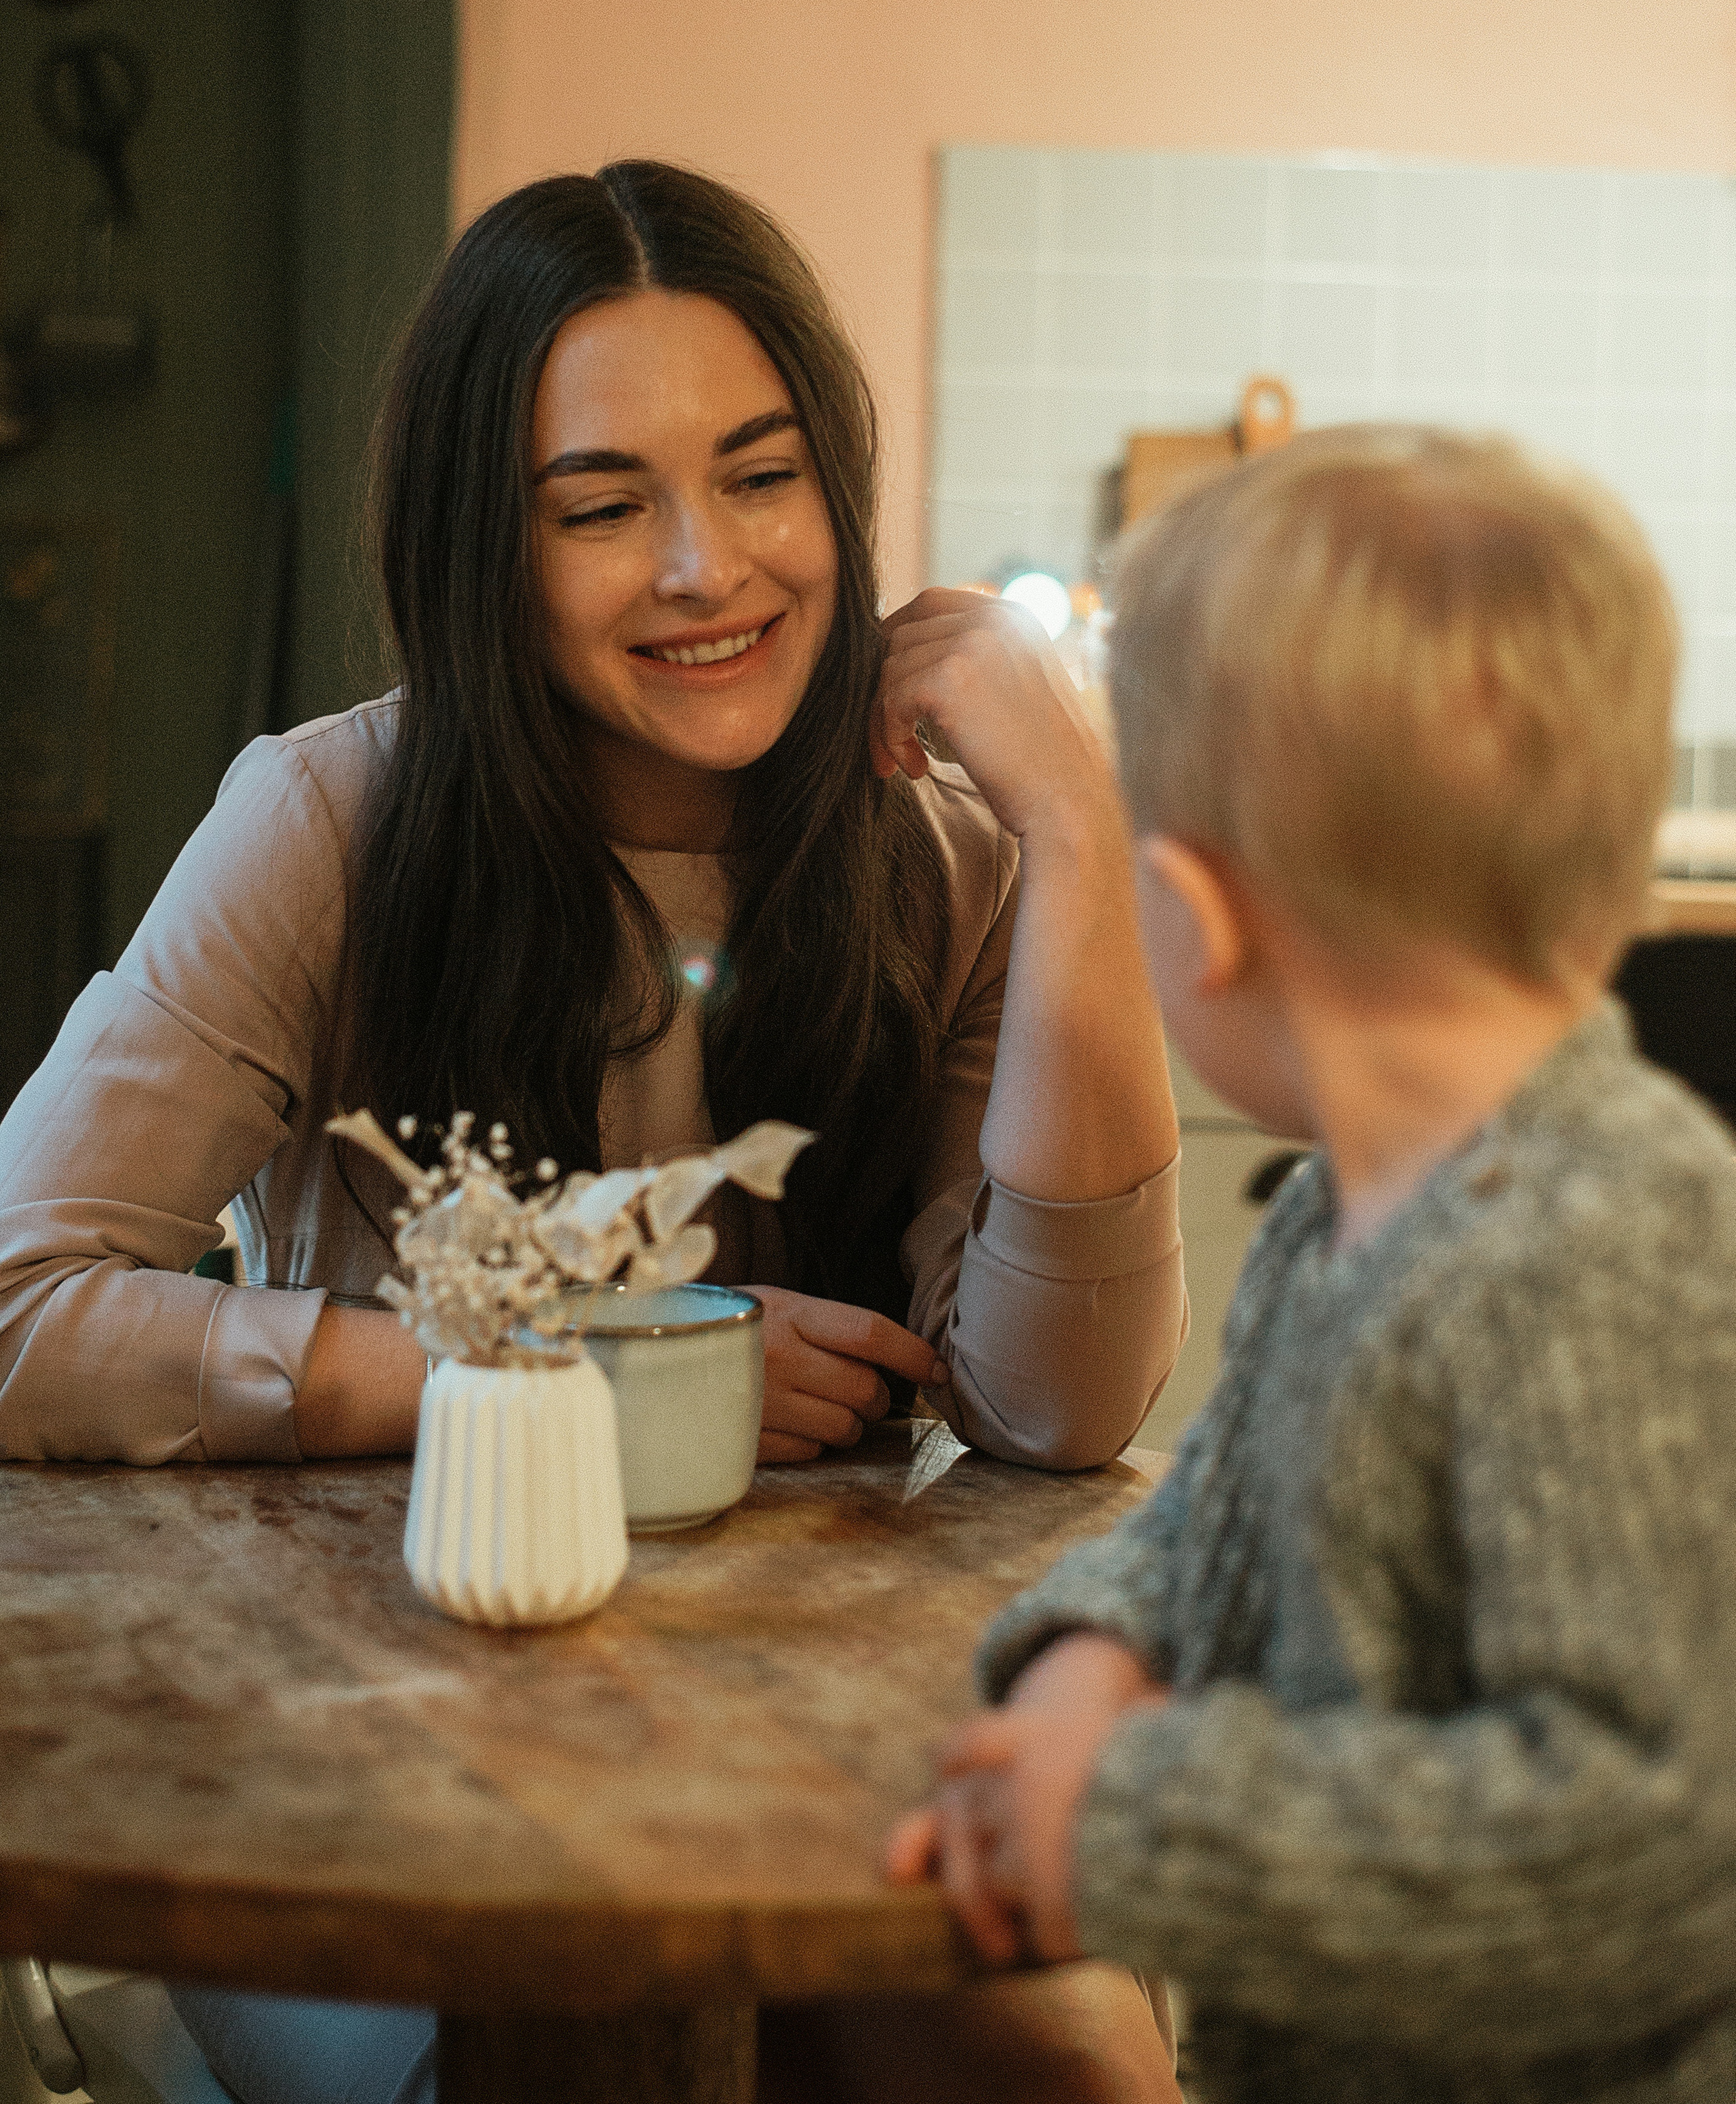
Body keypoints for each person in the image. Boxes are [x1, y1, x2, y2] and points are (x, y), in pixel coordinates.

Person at [0, 163, 1185, 2104]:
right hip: (359, 1738)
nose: (707, 566)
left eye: (761, 476)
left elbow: (1055, 1407)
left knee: (1073, 2068)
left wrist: (1077, 823)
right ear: (490, 544)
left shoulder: (948, 864)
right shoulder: (325, 822)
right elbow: (18, 1298)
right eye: (603, 506)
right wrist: (555, 1372)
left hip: (813, 1743)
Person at [888, 425, 1736, 2103]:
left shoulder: (1597, 1250)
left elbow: (1650, 1839)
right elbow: (1211, 1514)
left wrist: (1137, 1818)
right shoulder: (1338, 1213)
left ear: (1195, 920)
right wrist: (1084, 1665)